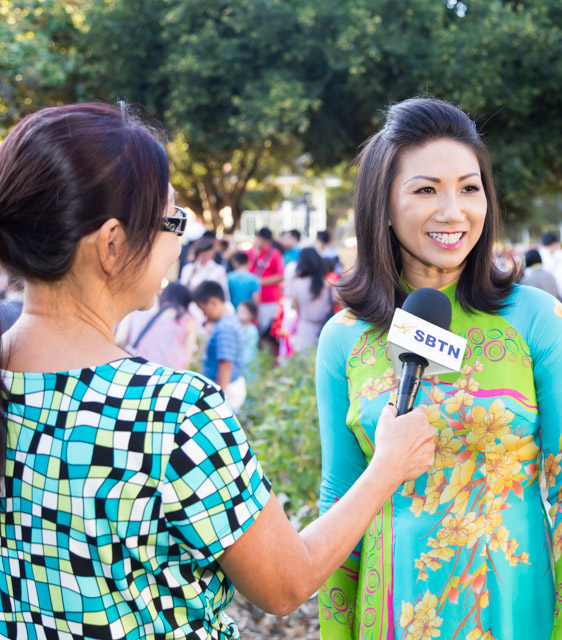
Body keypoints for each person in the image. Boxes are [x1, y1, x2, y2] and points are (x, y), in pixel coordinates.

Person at [0, 103, 437, 638]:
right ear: (112, 244)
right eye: (171, 221)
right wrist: (388, 466)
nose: (179, 241)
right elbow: (285, 583)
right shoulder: (168, 412)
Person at [318, 97, 562, 639]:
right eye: (426, 190)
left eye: (469, 188)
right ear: (384, 203)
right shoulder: (344, 339)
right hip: (389, 610)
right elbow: (337, 496)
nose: (454, 211)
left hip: (513, 610)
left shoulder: (538, 320)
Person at [191, 281, 248, 410]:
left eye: (203, 309)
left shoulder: (225, 328)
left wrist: (218, 402)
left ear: (213, 303)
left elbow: (226, 365)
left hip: (226, 389)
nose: (204, 314)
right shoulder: (229, 322)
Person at [116, 281, 197, 370]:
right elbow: (187, 358)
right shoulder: (187, 321)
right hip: (168, 376)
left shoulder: (138, 309)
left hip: (136, 368)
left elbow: (120, 340)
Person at [289, 247, 335, 353]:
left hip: (305, 328)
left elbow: (297, 309)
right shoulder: (326, 283)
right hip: (326, 327)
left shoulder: (296, 284)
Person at [249, 227, 285, 334]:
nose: (260, 242)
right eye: (259, 238)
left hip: (268, 300)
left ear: (268, 241)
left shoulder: (274, 254)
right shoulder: (249, 252)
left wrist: (258, 282)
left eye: (264, 240)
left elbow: (280, 276)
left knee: (265, 332)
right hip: (250, 299)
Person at [180, 235, 230, 303]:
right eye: (203, 253)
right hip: (190, 305)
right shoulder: (188, 269)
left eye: (208, 252)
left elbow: (224, 293)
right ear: (198, 253)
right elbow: (182, 289)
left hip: (209, 306)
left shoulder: (219, 270)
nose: (205, 255)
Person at [236, 299, 261, 376]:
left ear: (252, 314)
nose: (240, 314)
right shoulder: (238, 327)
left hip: (248, 363)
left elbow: (250, 349)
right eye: (238, 311)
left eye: (243, 311)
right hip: (238, 363)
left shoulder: (252, 330)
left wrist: (242, 362)